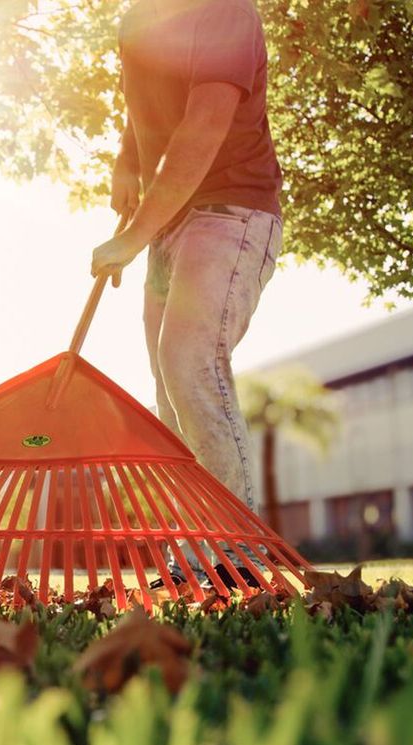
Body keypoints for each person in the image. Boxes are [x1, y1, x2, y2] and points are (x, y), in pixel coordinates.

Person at [91, 0, 283, 589]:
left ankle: (238, 555)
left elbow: (203, 126)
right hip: (169, 226)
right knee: (169, 394)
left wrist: (131, 236)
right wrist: (127, 161)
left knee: (189, 362)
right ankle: (195, 559)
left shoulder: (225, 12)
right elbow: (145, 108)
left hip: (230, 213)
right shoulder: (138, 19)